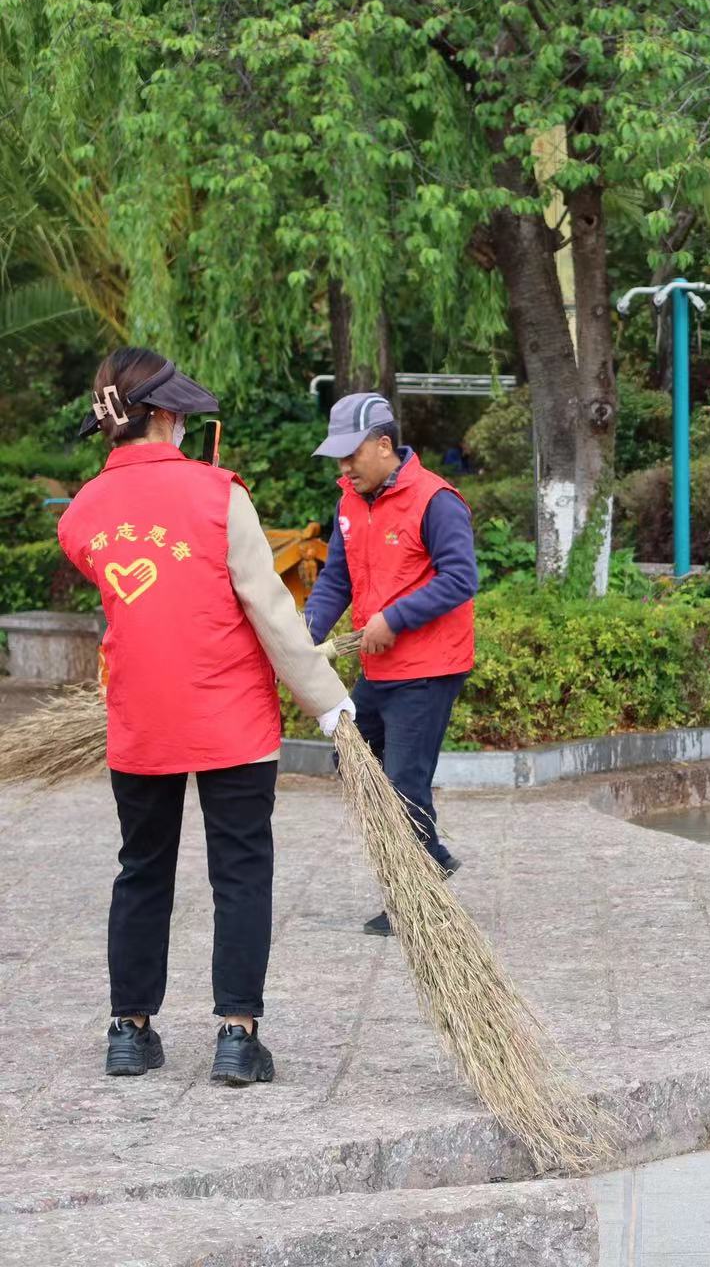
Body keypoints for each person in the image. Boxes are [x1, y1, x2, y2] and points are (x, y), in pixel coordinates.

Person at [57, 346, 354, 1086]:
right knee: (242, 872)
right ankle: (236, 1036)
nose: (187, 426)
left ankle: (129, 1030)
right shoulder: (220, 495)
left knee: (142, 869)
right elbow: (272, 613)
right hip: (230, 715)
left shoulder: (82, 513)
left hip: (140, 716)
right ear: (160, 417)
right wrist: (329, 701)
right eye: (181, 415)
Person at [304, 392, 478, 936]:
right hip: (380, 667)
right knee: (354, 763)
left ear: (384, 445)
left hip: (428, 667)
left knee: (404, 782)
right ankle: (430, 856)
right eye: (337, 457)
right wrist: (303, 637)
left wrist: (394, 619)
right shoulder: (350, 502)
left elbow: (460, 578)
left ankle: (416, 899)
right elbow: (336, 578)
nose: (344, 466)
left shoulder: (436, 501)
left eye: (351, 454)